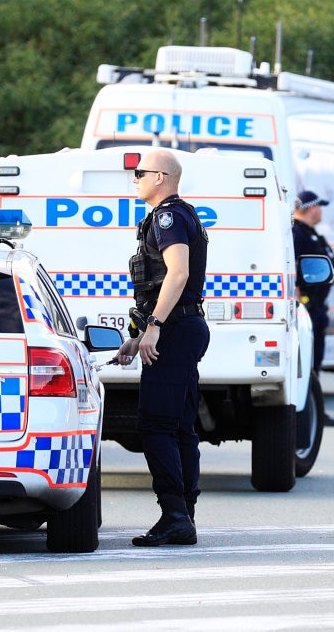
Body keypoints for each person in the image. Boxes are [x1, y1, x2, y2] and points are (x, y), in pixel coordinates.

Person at [114, 149, 211, 547]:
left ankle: (174, 515)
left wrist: (153, 327)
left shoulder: (168, 217)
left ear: (161, 177)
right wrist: (138, 336)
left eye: (140, 173)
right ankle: (182, 514)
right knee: (181, 428)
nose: (134, 179)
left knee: (155, 427)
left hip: (175, 330)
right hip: (183, 327)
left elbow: (179, 273)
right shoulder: (178, 214)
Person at [291, 190, 334, 427]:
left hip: (317, 308)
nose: (321, 210)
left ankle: (314, 413)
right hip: (306, 308)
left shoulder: (312, 235)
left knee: (315, 361)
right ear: (311, 208)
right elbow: (293, 272)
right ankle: (307, 414)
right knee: (307, 363)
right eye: (319, 206)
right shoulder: (296, 234)